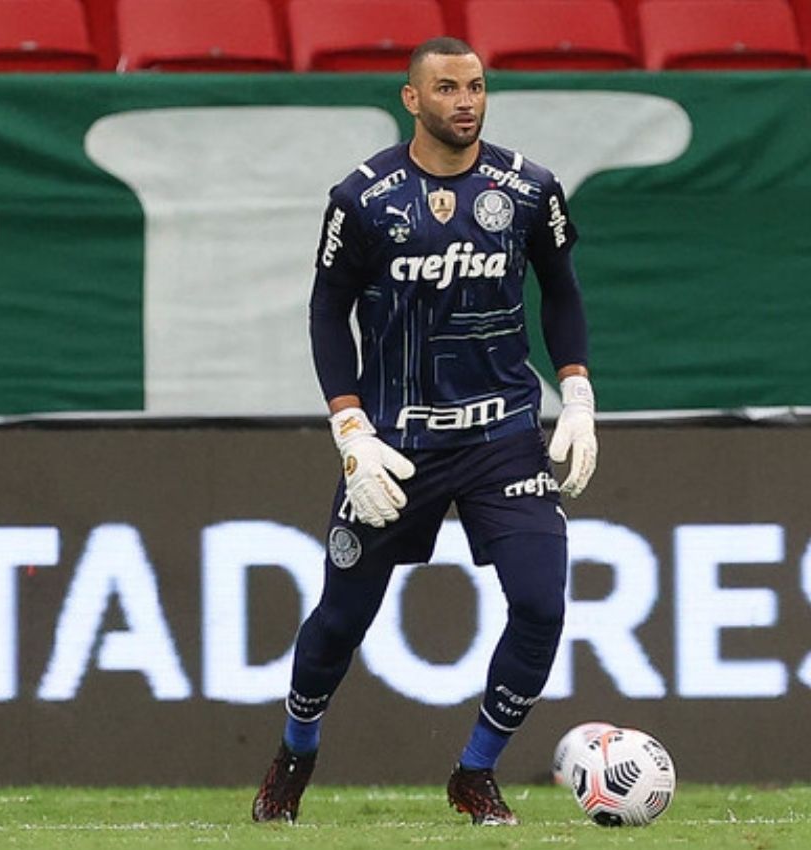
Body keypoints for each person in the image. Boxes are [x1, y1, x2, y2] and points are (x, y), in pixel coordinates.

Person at [251, 36, 597, 827]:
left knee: (542, 604)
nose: (465, 101)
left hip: (502, 436)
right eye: (446, 89)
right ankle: (295, 752)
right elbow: (325, 312)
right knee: (341, 620)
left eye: (475, 86)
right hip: (393, 446)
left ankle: (475, 773)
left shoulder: (530, 189)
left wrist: (575, 397)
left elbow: (563, 294)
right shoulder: (364, 198)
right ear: (412, 100)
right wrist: (350, 429)